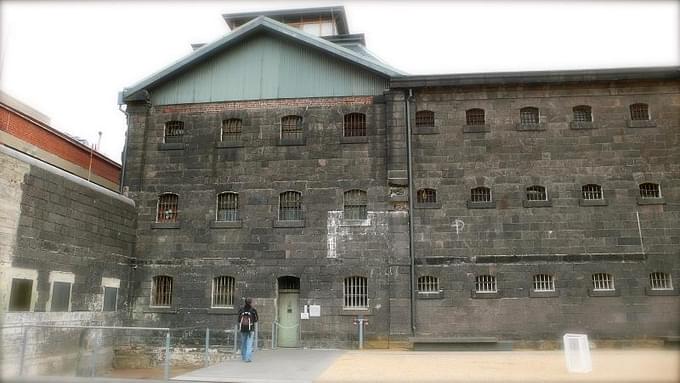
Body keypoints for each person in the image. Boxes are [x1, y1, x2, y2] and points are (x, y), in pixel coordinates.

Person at [237, 297, 258, 362]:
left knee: (243, 343)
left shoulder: (241, 310)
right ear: (251, 302)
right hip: (250, 329)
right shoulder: (253, 310)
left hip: (242, 329)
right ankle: (247, 358)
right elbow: (256, 319)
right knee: (249, 344)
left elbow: (238, 320)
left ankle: (243, 357)